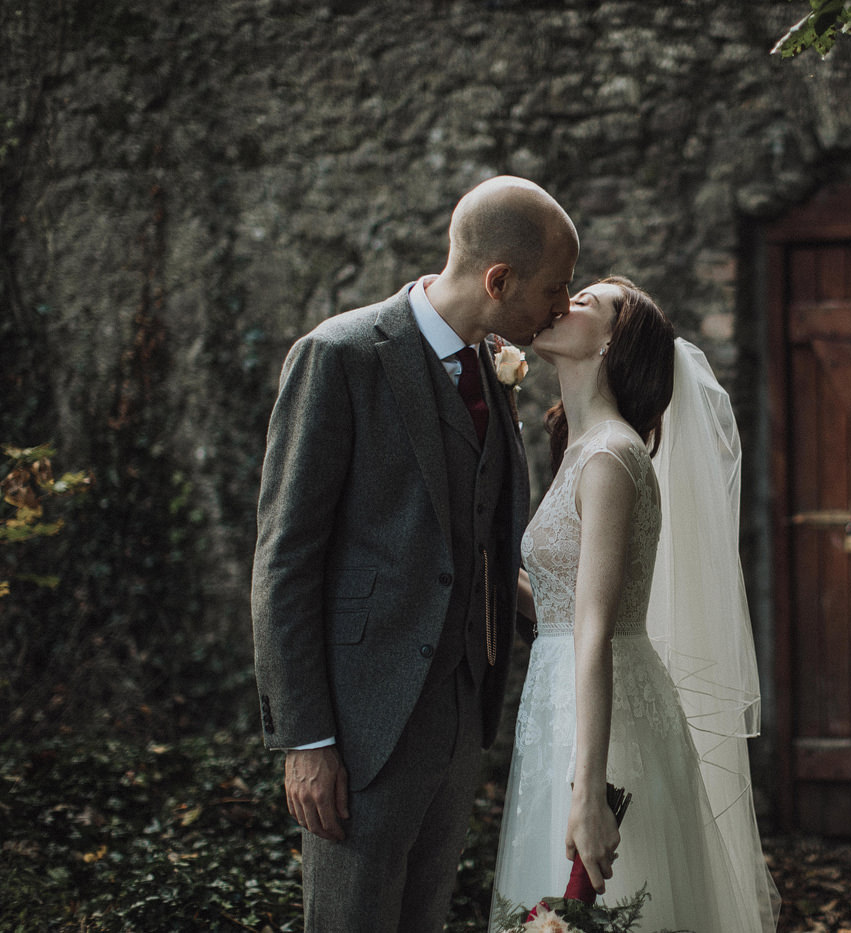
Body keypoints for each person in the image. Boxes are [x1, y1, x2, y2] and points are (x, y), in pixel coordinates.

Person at [250, 175, 578, 932]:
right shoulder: (338, 356)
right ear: (499, 280)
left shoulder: (490, 371)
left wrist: (578, 622)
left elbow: (478, 547)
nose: (561, 307)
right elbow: (285, 559)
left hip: (461, 715)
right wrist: (306, 740)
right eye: (554, 289)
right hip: (361, 727)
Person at [489, 277, 779, 932]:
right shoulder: (583, 450)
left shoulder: (611, 456)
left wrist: (589, 792)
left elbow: (594, 632)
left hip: (606, 725)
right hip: (566, 707)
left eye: (587, 301)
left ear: (616, 343)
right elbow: (566, 610)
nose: (564, 303)